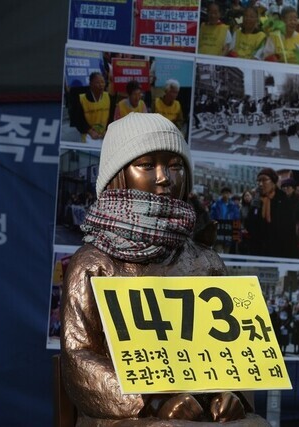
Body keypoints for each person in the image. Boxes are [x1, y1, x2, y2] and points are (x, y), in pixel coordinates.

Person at [61, 113, 264, 425]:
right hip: (124, 416)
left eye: (175, 165)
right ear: (119, 174)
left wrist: (228, 394)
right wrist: (150, 401)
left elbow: (232, 349)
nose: (164, 177)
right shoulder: (94, 262)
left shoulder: (207, 261)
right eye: (146, 164)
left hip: (201, 407)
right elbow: (78, 355)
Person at [246, 168, 297, 258]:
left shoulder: (283, 199)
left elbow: (289, 228)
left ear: (273, 182)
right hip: (260, 250)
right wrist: (255, 205)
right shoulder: (257, 199)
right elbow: (249, 224)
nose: (260, 184)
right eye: (258, 181)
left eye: (264, 180)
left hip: (279, 250)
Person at [72, 71, 111, 143]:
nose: (101, 85)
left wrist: (108, 131)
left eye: (102, 82)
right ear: (90, 84)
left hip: (105, 134)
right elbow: (79, 120)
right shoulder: (82, 99)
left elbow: (111, 117)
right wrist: (90, 131)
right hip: (89, 135)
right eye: (98, 83)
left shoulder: (108, 97)